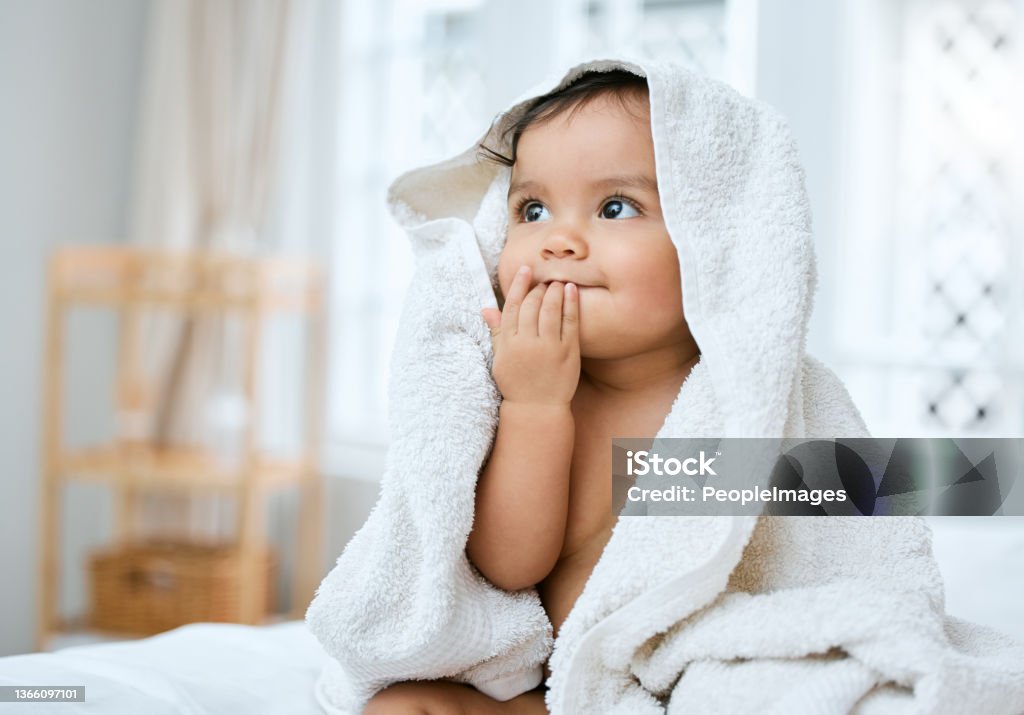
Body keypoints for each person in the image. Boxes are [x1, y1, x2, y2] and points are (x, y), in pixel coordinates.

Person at [364, 69, 694, 715]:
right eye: (532, 209)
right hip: (559, 692)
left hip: (695, 682)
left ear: (717, 241)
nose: (557, 239)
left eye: (616, 207)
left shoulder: (742, 396)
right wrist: (535, 406)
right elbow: (510, 567)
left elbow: (859, 527)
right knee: (404, 706)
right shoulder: (533, 392)